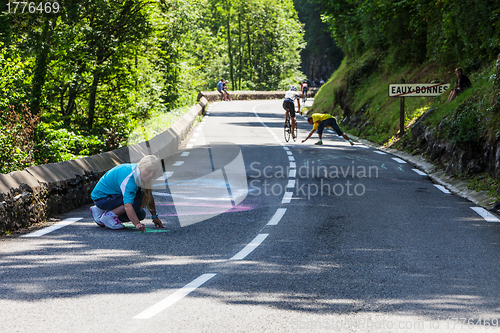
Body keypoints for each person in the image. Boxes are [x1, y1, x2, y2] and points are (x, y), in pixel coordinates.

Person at [89, 155, 165, 232]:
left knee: (140, 214)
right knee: (139, 199)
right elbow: (128, 205)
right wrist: (137, 224)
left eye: (154, 173)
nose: (151, 175)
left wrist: (154, 216)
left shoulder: (138, 171)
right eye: (149, 171)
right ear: (141, 166)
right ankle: (108, 216)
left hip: (110, 196)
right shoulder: (130, 178)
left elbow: (148, 196)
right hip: (102, 198)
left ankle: (101, 210)